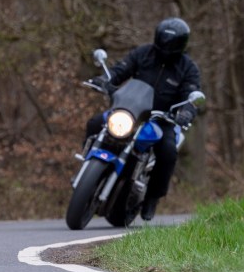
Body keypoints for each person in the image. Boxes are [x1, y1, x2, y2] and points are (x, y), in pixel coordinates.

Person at [86, 17, 201, 221]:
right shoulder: (143, 53)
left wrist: (185, 111)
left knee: (167, 152)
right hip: (131, 111)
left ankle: (152, 197)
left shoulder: (188, 68)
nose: (166, 46)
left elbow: (191, 94)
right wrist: (106, 79)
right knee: (95, 123)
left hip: (162, 119)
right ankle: (87, 162)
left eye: (171, 43)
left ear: (181, 44)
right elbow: (121, 69)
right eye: (163, 40)